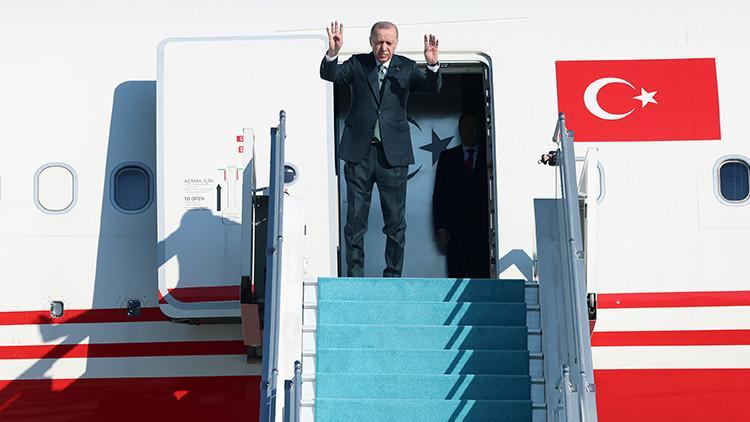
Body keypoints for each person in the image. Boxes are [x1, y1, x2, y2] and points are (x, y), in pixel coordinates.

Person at [320, 21, 442, 277]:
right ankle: (355, 278)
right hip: (359, 154)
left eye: (389, 43)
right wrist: (333, 53)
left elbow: (432, 87)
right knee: (355, 222)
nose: (383, 47)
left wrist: (432, 65)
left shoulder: (406, 67)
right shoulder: (358, 64)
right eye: (379, 42)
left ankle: (392, 277)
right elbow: (331, 75)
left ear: (396, 44)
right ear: (371, 42)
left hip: (393, 157)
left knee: (395, 223)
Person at [432, 113, 490, 278]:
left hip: (482, 233)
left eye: (473, 127)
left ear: (479, 130)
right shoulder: (447, 157)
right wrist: (441, 228)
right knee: (456, 278)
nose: (469, 131)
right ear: (459, 130)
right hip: (455, 232)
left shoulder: (489, 155)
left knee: (481, 280)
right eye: (465, 127)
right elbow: (439, 195)